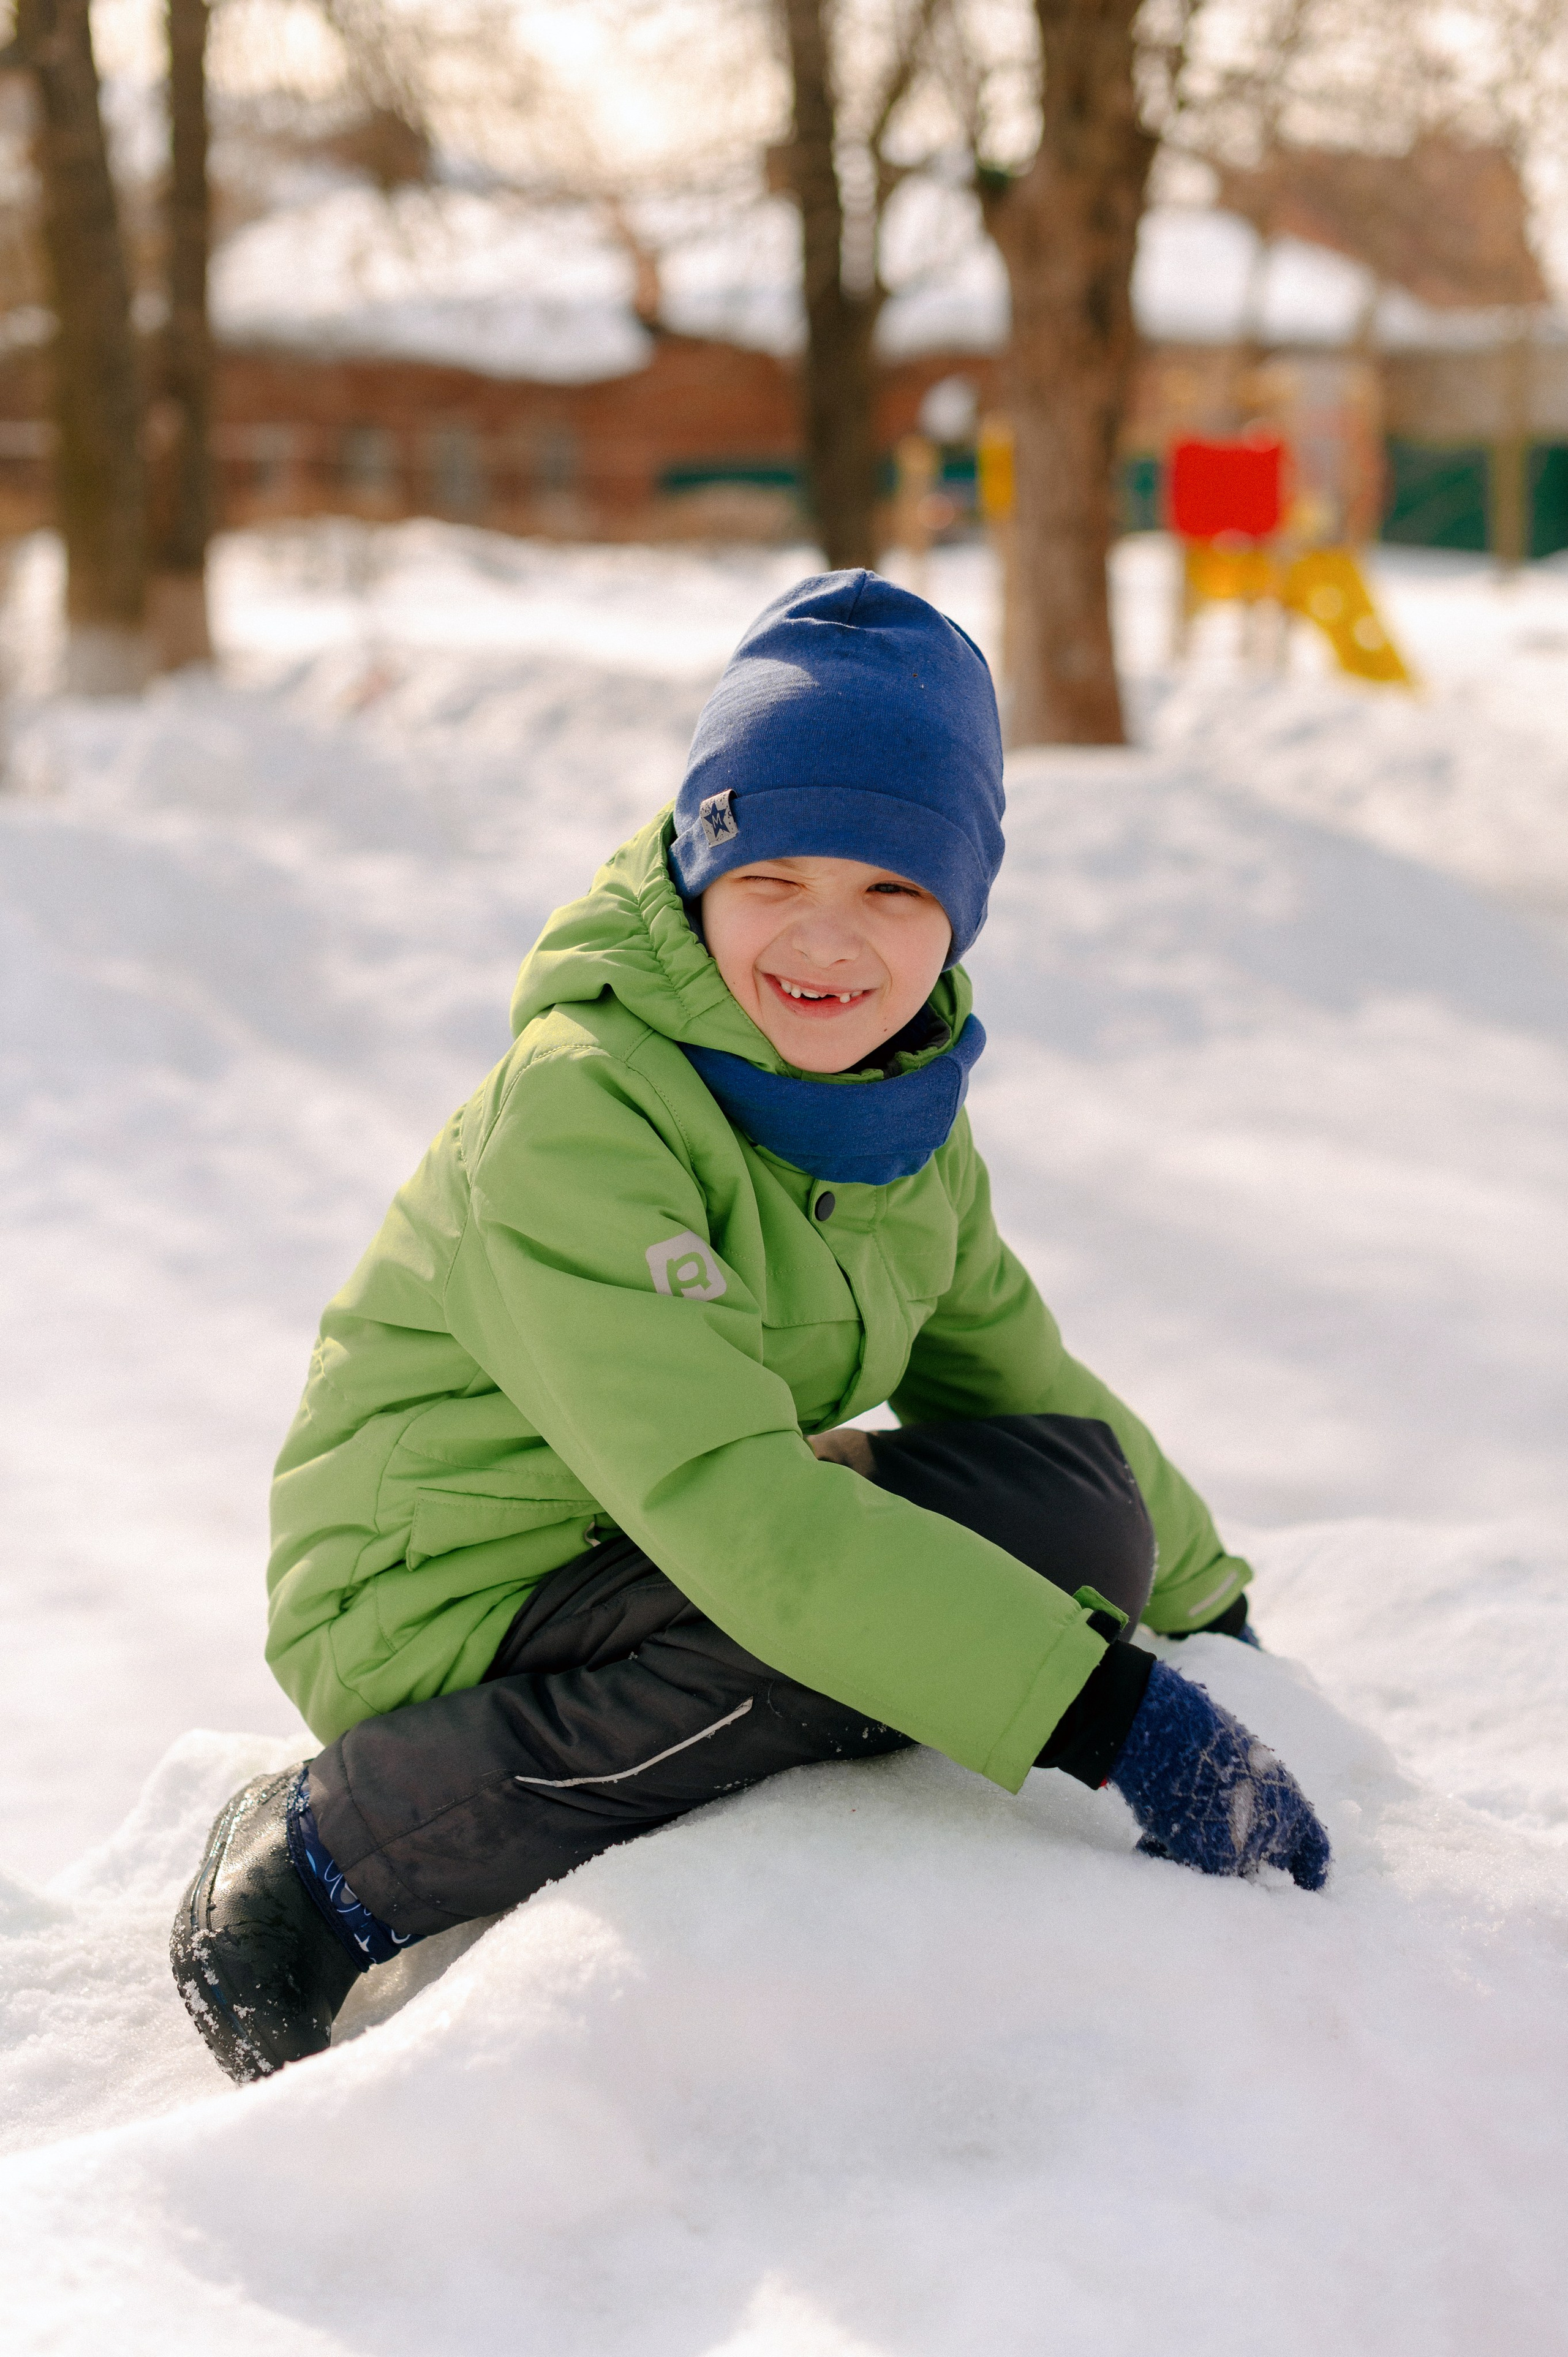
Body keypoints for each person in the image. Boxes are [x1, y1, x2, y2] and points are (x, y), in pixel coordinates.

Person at [172, 571, 1329, 2085]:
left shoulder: (893, 1120)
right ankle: (341, 1850)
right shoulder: (581, 1110)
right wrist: (1105, 1713)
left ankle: (846, 1658)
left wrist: (1210, 1620)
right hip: (443, 1591)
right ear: (698, 863)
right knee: (834, 1639)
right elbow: (738, 1514)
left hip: (647, 1546)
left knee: (1074, 1521)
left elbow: (1019, 1373)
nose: (827, 941)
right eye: (777, 874)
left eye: (894, 889)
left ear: (962, 907)